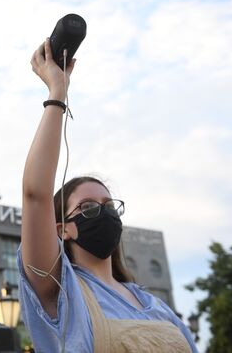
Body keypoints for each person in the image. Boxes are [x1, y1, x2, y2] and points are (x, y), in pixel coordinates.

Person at [18, 39, 198, 352]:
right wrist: (58, 93)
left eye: (109, 206)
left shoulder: (155, 305)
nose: (104, 213)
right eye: (88, 207)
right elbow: (36, 195)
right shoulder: (61, 291)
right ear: (63, 229)